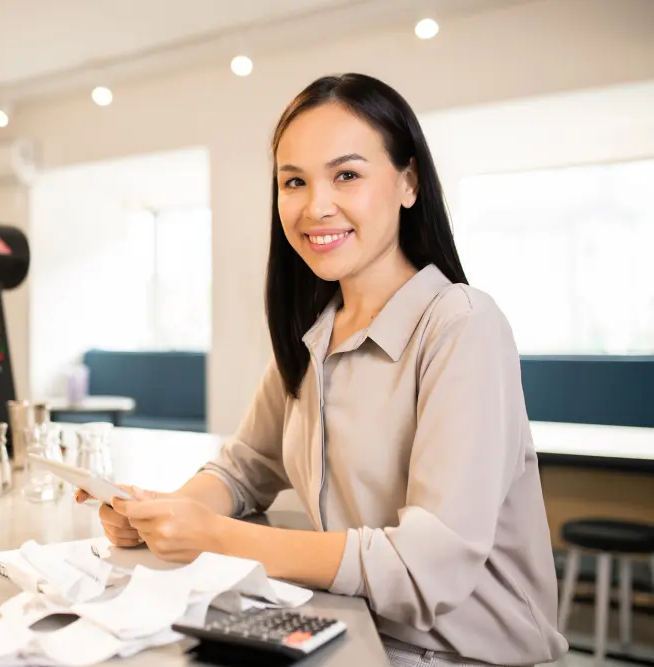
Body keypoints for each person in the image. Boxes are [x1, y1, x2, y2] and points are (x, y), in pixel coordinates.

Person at [75, 73, 568, 667]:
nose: (316, 206)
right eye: (294, 182)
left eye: (347, 175)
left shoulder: (462, 324)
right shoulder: (314, 333)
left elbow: (426, 567)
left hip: (461, 657)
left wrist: (215, 537)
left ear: (409, 181)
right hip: (349, 627)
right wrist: (170, 513)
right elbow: (244, 468)